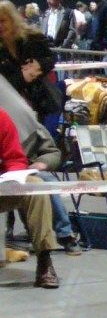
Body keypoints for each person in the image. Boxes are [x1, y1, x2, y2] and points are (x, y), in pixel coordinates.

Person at [0, 107, 60, 288]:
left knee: (36, 186)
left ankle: (44, 260)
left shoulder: (2, 117)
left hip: (2, 186)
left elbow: (15, 159)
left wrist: (15, 175)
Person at [0, 0, 59, 122]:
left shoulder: (32, 37)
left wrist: (39, 66)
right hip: (11, 108)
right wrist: (23, 77)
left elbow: (51, 57)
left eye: (3, 21)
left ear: (13, 19)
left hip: (38, 103)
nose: (0, 26)